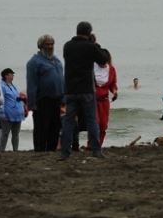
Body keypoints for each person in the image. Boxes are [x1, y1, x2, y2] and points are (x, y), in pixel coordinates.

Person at [59, 22, 107, 160]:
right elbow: (103, 60)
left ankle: (65, 152)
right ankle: (96, 150)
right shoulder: (90, 46)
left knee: (68, 121)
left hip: (71, 90)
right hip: (86, 89)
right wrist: (95, 44)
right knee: (91, 120)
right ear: (89, 32)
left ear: (77, 31)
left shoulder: (67, 46)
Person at [26, 34, 65, 152]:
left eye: (52, 44)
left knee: (55, 126)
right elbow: (31, 84)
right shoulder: (34, 62)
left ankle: (52, 149)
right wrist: (32, 104)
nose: (50, 46)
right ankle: (39, 150)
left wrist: (64, 98)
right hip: (42, 99)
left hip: (56, 99)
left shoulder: (57, 61)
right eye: (47, 44)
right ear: (40, 46)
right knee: (42, 127)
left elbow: (61, 79)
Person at [93, 49, 118, 147]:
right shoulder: (91, 68)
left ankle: (98, 145)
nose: (103, 64)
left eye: (104, 62)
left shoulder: (111, 69)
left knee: (103, 125)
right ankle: (91, 145)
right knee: (95, 123)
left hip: (104, 101)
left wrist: (115, 92)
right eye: (101, 63)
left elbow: (113, 84)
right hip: (93, 101)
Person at [0, 68, 26, 151]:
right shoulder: (1, 86)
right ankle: (2, 151)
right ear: (6, 75)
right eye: (11, 74)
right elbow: (0, 100)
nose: (13, 76)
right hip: (7, 114)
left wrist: (22, 105)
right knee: (5, 133)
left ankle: (15, 151)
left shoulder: (14, 86)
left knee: (16, 134)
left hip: (17, 114)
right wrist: (2, 113)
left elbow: (16, 98)